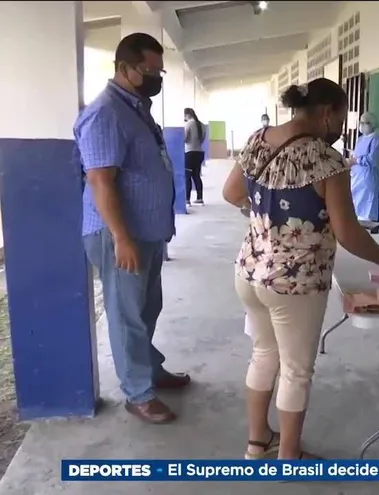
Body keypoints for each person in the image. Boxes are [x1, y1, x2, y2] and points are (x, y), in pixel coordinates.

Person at [222, 78, 379, 460]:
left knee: (264, 354)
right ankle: (290, 455)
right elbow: (348, 233)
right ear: (328, 113)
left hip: (249, 272)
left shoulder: (259, 138)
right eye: (342, 117)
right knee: (296, 370)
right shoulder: (327, 161)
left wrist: (264, 215)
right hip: (295, 284)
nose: (343, 127)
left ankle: (257, 442)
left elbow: (231, 193)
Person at [75, 33, 189, 425]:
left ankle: (149, 368)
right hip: (119, 235)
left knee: (146, 307)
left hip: (145, 233)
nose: (156, 78)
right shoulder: (106, 112)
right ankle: (138, 393)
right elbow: (101, 181)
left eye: (160, 71)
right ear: (124, 69)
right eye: (149, 71)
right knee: (127, 315)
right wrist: (122, 238)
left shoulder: (137, 108)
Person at [346, 112, 379, 221]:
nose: (361, 125)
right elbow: (356, 154)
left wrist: (356, 160)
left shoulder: (376, 139)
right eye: (360, 122)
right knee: (356, 205)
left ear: (371, 124)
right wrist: (352, 160)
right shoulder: (360, 139)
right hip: (357, 175)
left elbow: (373, 159)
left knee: (367, 206)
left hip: (367, 177)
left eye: (364, 123)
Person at [184, 107, 207, 205]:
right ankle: (200, 198)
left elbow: (185, 138)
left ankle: (187, 200)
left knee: (187, 176)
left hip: (190, 152)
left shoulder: (189, 123)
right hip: (199, 152)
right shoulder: (202, 125)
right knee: (196, 176)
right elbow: (202, 139)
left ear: (187, 115)